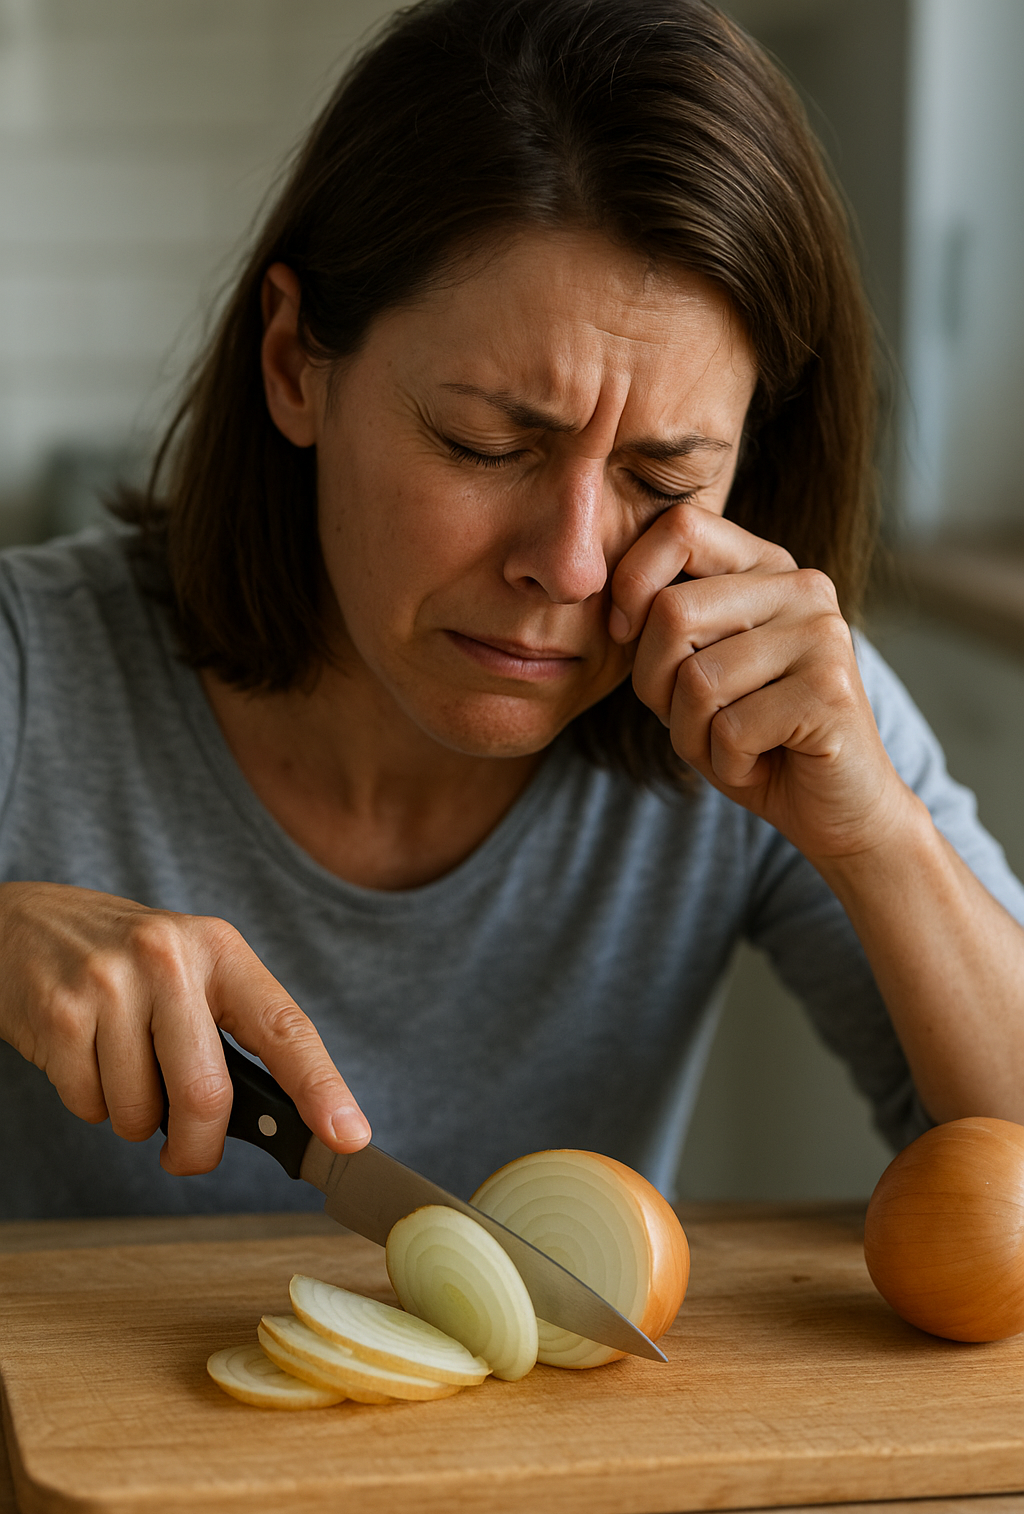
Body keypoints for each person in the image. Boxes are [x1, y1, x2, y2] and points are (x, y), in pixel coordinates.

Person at [2, 0, 1023, 1221]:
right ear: (292, 363)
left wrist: (879, 842)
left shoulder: (769, 693)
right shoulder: (31, 669)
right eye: (486, 443)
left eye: (662, 478)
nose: (574, 566)